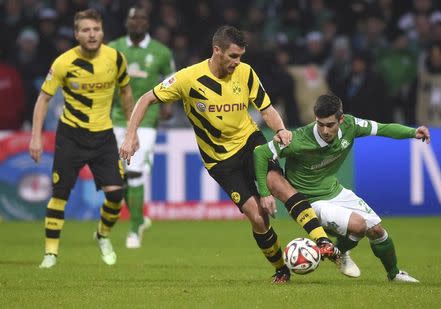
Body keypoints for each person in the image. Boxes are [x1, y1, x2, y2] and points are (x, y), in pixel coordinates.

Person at [120, 25, 338, 283]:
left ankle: (322, 241)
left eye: (241, 56)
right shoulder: (189, 78)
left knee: (277, 184)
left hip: (250, 142)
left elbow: (266, 108)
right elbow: (146, 98)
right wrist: (131, 135)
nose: (238, 62)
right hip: (220, 160)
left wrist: (280, 129)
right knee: (257, 217)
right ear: (217, 51)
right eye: (233, 56)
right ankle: (281, 268)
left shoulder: (245, 73)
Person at [254, 94, 430, 282]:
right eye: (320, 124)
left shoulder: (351, 125)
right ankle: (338, 252)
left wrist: (413, 133)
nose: (325, 130)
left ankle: (393, 274)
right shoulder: (297, 139)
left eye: (330, 125)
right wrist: (264, 193)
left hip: (334, 191)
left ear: (341, 119)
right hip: (309, 203)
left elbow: (383, 128)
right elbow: (261, 153)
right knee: (359, 225)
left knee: (377, 230)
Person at [29, 9, 133, 268]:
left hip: (103, 136)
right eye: (85, 30)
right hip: (71, 136)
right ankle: (50, 254)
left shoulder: (115, 59)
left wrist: (131, 132)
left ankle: (102, 235)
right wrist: (36, 137)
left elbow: (127, 93)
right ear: (76, 34)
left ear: (102, 32)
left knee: (116, 194)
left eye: (95, 29)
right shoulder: (63, 62)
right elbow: (43, 99)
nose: (92, 34)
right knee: (59, 194)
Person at [109, 5, 175, 249]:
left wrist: (168, 105)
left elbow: (172, 80)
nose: (137, 22)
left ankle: (134, 229)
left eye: (142, 19)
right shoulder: (114, 48)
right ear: (127, 22)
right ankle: (140, 218)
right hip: (115, 117)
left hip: (146, 120)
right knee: (119, 176)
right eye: (133, 18)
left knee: (134, 170)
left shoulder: (161, 52)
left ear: (148, 23)